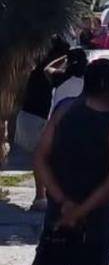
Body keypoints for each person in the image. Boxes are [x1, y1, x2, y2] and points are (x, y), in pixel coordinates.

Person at [15, 59, 109, 265]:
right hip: (95, 218)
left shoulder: (64, 111)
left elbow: (40, 158)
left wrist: (63, 202)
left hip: (58, 213)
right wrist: (77, 213)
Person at [15, 36, 70, 211]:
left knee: (39, 158)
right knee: (51, 159)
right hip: (46, 118)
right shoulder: (58, 73)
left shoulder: (34, 68)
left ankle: (41, 196)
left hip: (31, 115)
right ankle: (49, 195)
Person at [46, 49, 88, 114]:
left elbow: (47, 69)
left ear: (67, 62)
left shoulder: (60, 77)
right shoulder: (89, 81)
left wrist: (64, 56)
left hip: (57, 119)